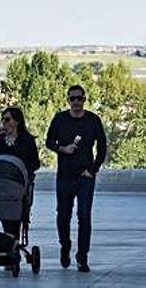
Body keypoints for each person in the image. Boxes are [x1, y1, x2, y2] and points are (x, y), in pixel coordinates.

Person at [45, 85, 107, 273]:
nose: (76, 102)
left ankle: (82, 257)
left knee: (84, 216)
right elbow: (49, 142)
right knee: (63, 216)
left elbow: (102, 146)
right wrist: (63, 149)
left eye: (79, 98)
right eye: (73, 99)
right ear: (68, 101)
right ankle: (65, 246)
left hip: (85, 176)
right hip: (64, 176)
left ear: (84, 100)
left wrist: (93, 169)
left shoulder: (93, 120)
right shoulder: (60, 119)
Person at [0, 107, 40, 241]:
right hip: (1, 183)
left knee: (14, 216)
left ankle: (12, 242)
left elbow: (35, 163)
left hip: (18, 184)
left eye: (7, 119)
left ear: (17, 121)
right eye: (3, 119)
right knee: (5, 214)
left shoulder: (27, 140)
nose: (4, 122)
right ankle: (10, 242)